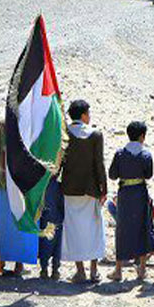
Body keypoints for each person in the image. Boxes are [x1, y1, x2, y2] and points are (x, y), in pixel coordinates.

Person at [55, 100, 107, 283]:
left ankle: (80, 271)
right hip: (91, 189)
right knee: (94, 228)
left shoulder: (64, 134)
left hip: (69, 188)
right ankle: (94, 270)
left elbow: (59, 162)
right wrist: (104, 188)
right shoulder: (95, 135)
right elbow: (99, 163)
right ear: (84, 115)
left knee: (74, 229)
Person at [108, 120, 154, 282]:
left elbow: (112, 175)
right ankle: (142, 269)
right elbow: (148, 175)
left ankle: (118, 269)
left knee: (122, 229)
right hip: (140, 192)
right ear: (142, 136)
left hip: (125, 193)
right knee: (142, 226)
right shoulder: (146, 154)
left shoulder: (120, 153)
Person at [0, 120, 38, 275]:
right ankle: (19, 264)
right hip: (19, 185)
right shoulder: (25, 125)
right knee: (19, 224)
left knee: (0, 223)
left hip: (1, 183)